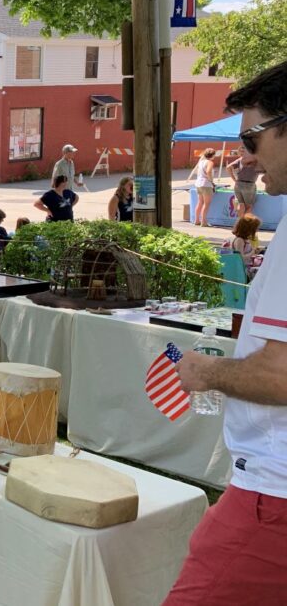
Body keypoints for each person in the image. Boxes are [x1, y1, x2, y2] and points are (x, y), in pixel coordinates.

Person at [164, 60, 287, 604]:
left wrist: (205, 371)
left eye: (253, 137)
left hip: (273, 495)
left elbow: (281, 375)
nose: (246, 154)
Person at [226, 214, 263, 279]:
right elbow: (240, 258)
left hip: (246, 266)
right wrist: (253, 251)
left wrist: (255, 251)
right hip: (242, 269)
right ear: (248, 229)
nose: (256, 230)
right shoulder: (240, 240)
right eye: (255, 229)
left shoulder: (245, 240)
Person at [228, 150, 259, 216]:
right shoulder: (256, 160)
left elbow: (228, 167)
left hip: (238, 183)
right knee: (249, 206)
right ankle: (244, 223)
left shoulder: (240, 159)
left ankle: (240, 222)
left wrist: (234, 179)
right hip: (249, 184)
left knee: (240, 204)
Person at [193, 148, 217, 227]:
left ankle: (196, 220)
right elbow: (208, 171)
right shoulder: (210, 162)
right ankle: (203, 221)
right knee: (206, 204)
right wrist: (211, 181)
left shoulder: (201, 162)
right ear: (213, 155)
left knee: (200, 202)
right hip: (206, 184)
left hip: (198, 183)